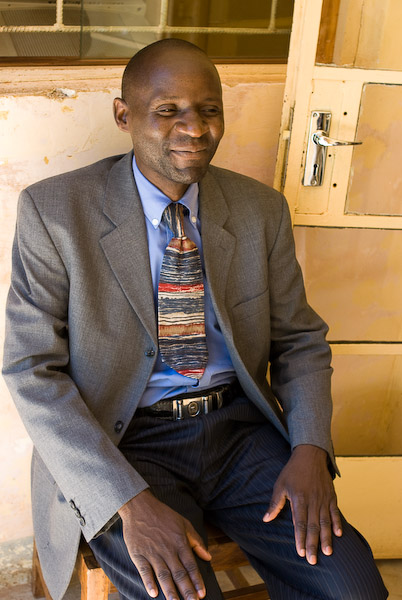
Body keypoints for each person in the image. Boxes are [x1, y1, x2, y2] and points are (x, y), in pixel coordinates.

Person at [3, 39, 387, 600]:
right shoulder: (55, 212)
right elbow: (30, 370)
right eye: (168, 110)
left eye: (210, 109)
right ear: (124, 115)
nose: (195, 128)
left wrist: (310, 449)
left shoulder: (259, 210)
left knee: (354, 590)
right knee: (184, 591)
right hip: (125, 441)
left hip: (239, 433)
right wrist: (126, 501)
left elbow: (299, 340)